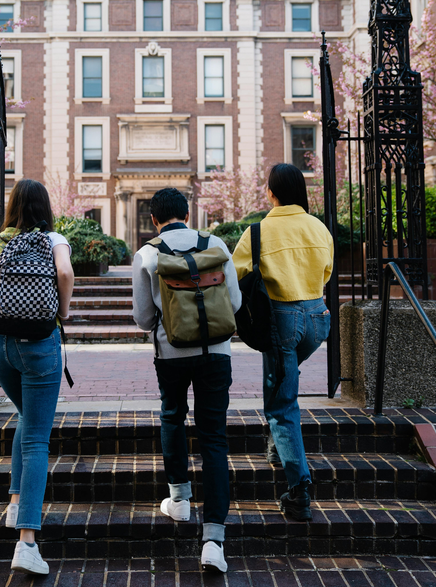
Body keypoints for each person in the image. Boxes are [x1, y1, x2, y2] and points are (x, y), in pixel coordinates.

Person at [132, 187, 241, 573]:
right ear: (188, 213)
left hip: (172, 354)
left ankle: (179, 499)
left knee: (173, 415)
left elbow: (144, 319)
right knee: (214, 436)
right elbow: (236, 303)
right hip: (217, 353)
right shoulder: (216, 244)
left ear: (153, 218)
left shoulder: (147, 254)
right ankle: (213, 540)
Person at [0, 179, 74, 575]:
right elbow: (64, 273)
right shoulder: (53, 240)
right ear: (45, 207)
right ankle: (27, 543)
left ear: (12, 206)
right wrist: (61, 312)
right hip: (39, 346)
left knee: (26, 419)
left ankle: (16, 500)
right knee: (36, 437)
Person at [232, 163, 333, 521]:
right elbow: (326, 272)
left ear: (271, 193)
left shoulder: (258, 232)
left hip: (282, 318)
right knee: (281, 373)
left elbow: (236, 275)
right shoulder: (319, 227)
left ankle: (298, 489)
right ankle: (277, 447)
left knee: (282, 404)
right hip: (319, 319)